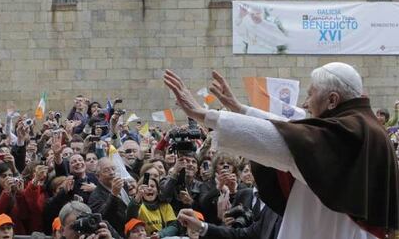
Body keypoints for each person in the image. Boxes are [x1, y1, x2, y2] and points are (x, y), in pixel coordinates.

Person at [164, 62, 399, 238]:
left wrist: (206, 116)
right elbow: (294, 134)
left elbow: (288, 142)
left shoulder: (350, 131)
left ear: (332, 100)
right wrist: (239, 109)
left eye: (310, 94)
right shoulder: (357, 126)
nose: (305, 103)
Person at [88, 158, 128, 235]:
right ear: (97, 176)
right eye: (106, 170)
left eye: (113, 169)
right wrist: (114, 195)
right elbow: (104, 218)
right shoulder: (95, 196)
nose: (112, 173)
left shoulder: (124, 185)